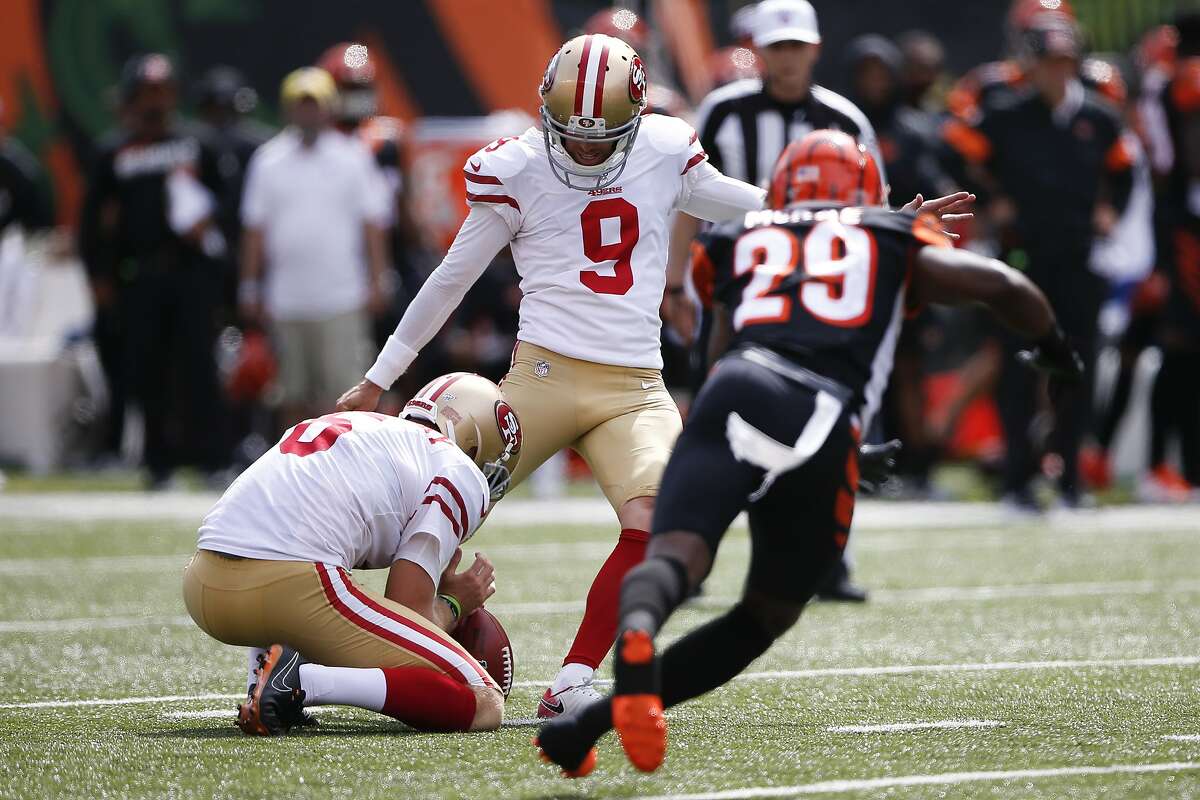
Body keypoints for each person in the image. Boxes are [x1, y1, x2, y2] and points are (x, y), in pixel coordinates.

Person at [533, 130, 1084, 778]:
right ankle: (603, 715)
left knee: (675, 557)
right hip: (820, 411)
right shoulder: (886, 234)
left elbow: (743, 327)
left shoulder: (739, 238)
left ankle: (617, 668)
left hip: (734, 388)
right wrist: (1055, 351)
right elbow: (998, 285)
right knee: (764, 613)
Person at [335, 33, 766, 718]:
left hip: (635, 390)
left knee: (659, 525)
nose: (585, 150)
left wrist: (873, 220)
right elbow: (452, 278)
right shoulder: (521, 166)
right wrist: (380, 374)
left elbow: (752, 205)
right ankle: (330, 636)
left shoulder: (662, 148)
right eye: (571, 135)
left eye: (603, 139)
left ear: (636, 121)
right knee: (425, 509)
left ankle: (572, 678)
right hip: (541, 380)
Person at [672, 0, 884, 601]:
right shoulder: (723, 110)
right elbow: (686, 197)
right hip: (736, 288)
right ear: (758, 50)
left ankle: (827, 559)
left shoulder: (845, 118)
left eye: (797, 46)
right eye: (777, 47)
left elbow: (874, 207)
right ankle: (690, 557)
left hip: (819, 295)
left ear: (814, 48)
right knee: (715, 421)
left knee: (825, 420)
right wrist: (675, 283)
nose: (787, 58)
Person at [182, 373, 522, 735]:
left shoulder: (363, 428)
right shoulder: (459, 469)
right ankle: (303, 686)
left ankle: (264, 682)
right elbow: (409, 609)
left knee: (324, 569)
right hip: (288, 587)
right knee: (485, 700)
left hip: (203, 585)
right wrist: (453, 603)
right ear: (473, 444)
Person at [944, 13, 1136, 509]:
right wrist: (989, 202)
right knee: (1017, 366)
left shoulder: (1099, 117)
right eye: (1048, 63)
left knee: (1076, 366)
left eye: (1064, 63)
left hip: (1078, 256)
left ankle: (1071, 478)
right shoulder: (1005, 113)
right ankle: (1016, 480)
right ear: (1029, 65)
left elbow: (1125, 171)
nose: (1056, 72)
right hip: (1021, 256)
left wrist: (1109, 210)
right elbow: (955, 151)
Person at [78, 53, 229, 487]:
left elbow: (227, 203)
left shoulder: (197, 143)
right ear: (131, 97)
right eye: (147, 93)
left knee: (200, 365)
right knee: (148, 369)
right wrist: (99, 279)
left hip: (191, 273)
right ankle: (158, 463)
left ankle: (212, 459)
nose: (155, 102)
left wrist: (210, 228)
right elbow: (94, 221)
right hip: (140, 276)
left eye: (162, 92)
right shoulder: (114, 151)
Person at [238, 67, 391, 427]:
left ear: (329, 109)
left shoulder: (353, 158)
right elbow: (254, 230)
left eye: (315, 105)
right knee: (290, 394)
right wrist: (249, 286)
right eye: (300, 105)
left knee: (341, 393)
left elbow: (373, 224)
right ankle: (291, 471)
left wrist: (379, 278)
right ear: (289, 109)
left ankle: (346, 474)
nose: (308, 113)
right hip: (286, 299)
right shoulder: (268, 160)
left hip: (341, 297)